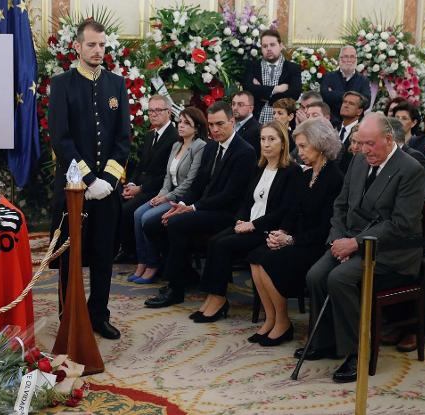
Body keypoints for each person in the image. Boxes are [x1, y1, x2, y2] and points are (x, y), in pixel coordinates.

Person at [296, 113, 425, 383]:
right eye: (359, 143)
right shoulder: (357, 161)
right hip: (349, 241)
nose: (363, 150)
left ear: (389, 140)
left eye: (370, 144)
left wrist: (354, 245)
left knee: (339, 279)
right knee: (315, 275)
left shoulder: (410, 170)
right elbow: (340, 206)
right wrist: (337, 240)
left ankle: (358, 351)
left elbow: (401, 224)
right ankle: (326, 341)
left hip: (390, 252)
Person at [48, 19, 130, 340]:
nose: (98, 51)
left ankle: (99, 315)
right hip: (73, 189)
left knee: (102, 254)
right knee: (70, 256)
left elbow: (122, 138)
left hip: (107, 190)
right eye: (92, 45)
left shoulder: (116, 84)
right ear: (78, 47)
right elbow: (61, 138)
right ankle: (70, 315)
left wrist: (107, 180)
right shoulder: (62, 84)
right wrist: (89, 179)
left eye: (102, 45)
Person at [143, 101, 256, 308]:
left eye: (220, 124)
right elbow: (198, 184)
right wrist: (182, 204)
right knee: (152, 224)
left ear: (232, 121)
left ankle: (175, 289)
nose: (214, 129)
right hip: (205, 207)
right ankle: (186, 273)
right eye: (211, 125)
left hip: (227, 213)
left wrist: (192, 208)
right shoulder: (212, 146)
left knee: (177, 223)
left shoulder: (244, 151)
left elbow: (230, 195)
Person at [193, 121, 301, 323]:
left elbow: (283, 210)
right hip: (248, 225)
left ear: (283, 143)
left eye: (272, 139)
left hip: (266, 231)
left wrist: (253, 225)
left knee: (223, 245)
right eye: (263, 139)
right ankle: (212, 295)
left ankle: (218, 299)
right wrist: (240, 219)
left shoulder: (291, 171)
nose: (266, 144)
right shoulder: (259, 167)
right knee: (214, 241)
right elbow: (247, 200)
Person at [247, 119, 343, 346]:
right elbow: (292, 211)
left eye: (303, 146)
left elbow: (326, 226)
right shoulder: (305, 174)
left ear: (320, 145)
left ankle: (283, 323)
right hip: (296, 238)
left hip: (316, 244)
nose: (298, 152)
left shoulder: (334, 177)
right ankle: (271, 318)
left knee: (271, 261)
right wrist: (280, 232)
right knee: (256, 257)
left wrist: (291, 239)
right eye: (297, 146)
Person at [129, 107, 207, 283]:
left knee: (146, 217)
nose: (181, 126)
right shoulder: (176, 145)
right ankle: (142, 262)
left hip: (183, 198)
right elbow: (167, 177)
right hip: (168, 193)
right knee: (137, 213)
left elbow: (190, 181)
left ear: (196, 128)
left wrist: (166, 197)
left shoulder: (199, 146)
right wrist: (161, 194)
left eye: (187, 123)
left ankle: (153, 264)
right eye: (180, 122)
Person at [115, 95, 178, 262]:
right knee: (115, 199)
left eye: (158, 110)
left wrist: (140, 189)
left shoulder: (175, 137)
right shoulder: (150, 135)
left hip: (158, 190)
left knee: (128, 210)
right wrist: (131, 184)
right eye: (151, 110)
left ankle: (133, 252)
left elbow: (165, 175)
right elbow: (141, 165)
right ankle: (123, 247)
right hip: (142, 185)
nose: (153, 114)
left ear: (169, 112)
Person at [242, 29, 301, 124]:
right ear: (261, 48)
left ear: (281, 46)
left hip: (283, 123)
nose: (268, 49)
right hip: (256, 122)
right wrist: (276, 89)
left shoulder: (293, 68)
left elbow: (295, 93)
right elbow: (248, 89)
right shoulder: (252, 66)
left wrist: (263, 92)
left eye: (272, 45)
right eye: (265, 46)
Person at [320, 45, 371, 125]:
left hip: (355, 125)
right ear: (340, 59)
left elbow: (366, 102)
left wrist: (334, 93)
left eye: (352, 57)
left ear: (356, 59)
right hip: (331, 123)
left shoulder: (364, 80)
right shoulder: (328, 76)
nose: (349, 60)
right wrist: (354, 98)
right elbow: (325, 96)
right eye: (346, 56)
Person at [337, 91, 368, 173]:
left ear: (359, 111)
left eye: (351, 103)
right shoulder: (333, 127)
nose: (346, 105)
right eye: (344, 102)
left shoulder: (362, 132)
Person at [232, 91, 262, 157]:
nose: (235, 108)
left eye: (240, 105)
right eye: (233, 104)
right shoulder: (230, 125)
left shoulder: (257, 130)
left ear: (251, 108)